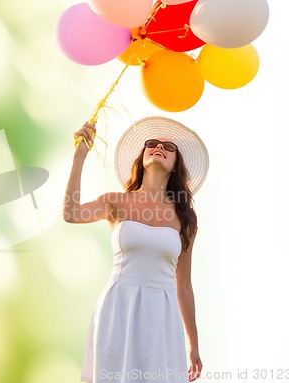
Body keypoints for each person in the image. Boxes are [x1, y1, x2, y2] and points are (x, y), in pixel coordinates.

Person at [63, 116, 209, 383]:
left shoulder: (185, 218)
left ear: (176, 165)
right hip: (119, 307)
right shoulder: (115, 202)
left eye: (169, 146)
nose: (159, 147)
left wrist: (193, 344)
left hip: (162, 317)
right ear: (141, 156)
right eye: (152, 143)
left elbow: (184, 286)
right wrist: (80, 156)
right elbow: (71, 213)